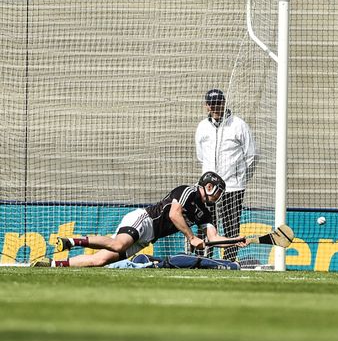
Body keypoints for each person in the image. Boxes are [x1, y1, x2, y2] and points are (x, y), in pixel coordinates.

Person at [31, 172, 288, 268]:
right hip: (144, 220)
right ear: (208, 186)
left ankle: (52, 264)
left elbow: (211, 239)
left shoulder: (207, 213)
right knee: (118, 245)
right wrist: (191, 237)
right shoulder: (188, 191)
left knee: (101, 260)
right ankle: (71, 241)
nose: (219, 196)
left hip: (148, 237)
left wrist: (234, 240)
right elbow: (175, 214)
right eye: (218, 191)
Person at [195, 89, 258, 261]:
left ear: (224, 103)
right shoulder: (202, 127)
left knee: (231, 226)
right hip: (207, 189)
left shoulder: (238, 124)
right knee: (206, 224)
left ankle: (229, 260)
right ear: (206, 106)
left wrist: (241, 178)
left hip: (233, 186)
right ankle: (204, 258)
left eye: (219, 103)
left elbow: (251, 155)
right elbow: (201, 156)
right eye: (212, 104)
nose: (216, 107)